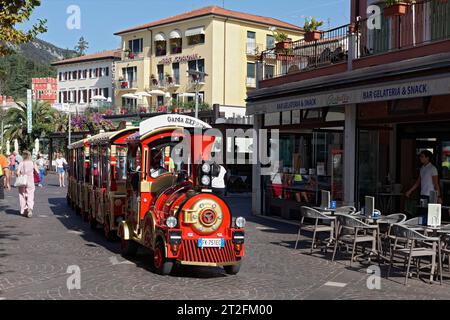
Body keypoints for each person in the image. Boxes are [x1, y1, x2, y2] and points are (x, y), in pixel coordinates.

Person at [17, 151, 38, 218]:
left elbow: (17, 173)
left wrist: (21, 174)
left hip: (22, 181)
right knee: (30, 194)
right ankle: (30, 208)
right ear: (29, 155)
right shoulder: (32, 163)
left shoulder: (21, 163)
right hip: (30, 181)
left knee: (22, 195)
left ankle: (24, 209)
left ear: (23, 156)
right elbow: (37, 171)